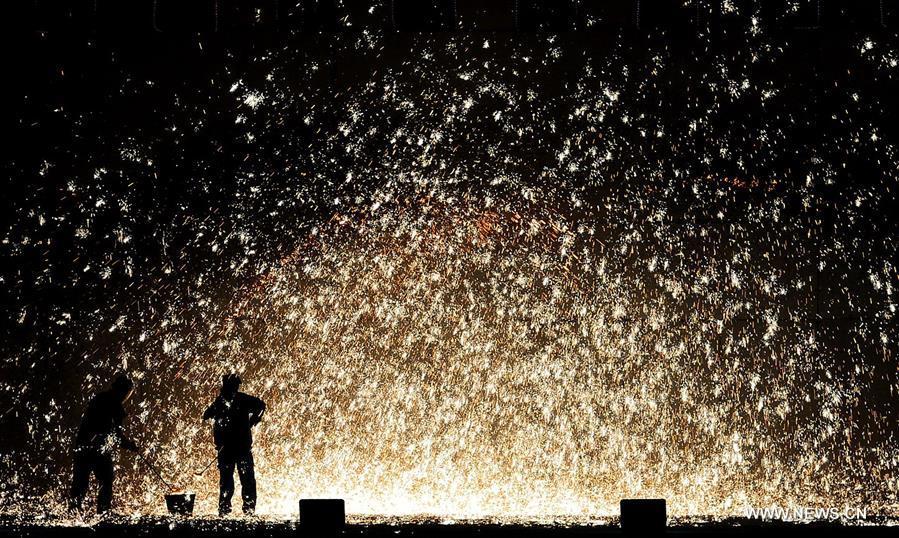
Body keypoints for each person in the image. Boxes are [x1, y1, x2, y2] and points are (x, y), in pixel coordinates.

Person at [69, 374, 138, 514]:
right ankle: (103, 513)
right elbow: (117, 435)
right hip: (96, 448)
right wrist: (129, 445)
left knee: (81, 483)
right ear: (123, 391)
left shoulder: (99, 398)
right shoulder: (115, 405)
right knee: (106, 479)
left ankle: (73, 513)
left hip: (83, 445)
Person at [203, 373, 266, 516]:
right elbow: (261, 405)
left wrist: (254, 419)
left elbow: (206, 415)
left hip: (233, 449)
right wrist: (254, 420)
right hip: (232, 449)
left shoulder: (228, 401)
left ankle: (228, 509)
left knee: (233, 480)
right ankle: (243, 509)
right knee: (240, 480)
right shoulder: (227, 401)